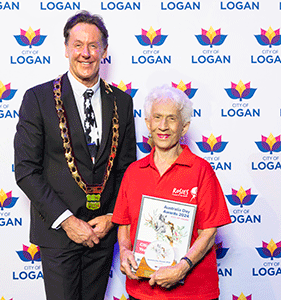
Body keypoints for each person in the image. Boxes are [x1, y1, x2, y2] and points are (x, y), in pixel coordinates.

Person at [14, 11, 136, 300]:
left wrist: (112, 216)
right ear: (66, 48)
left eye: (93, 46)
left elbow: (126, 170)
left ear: (104, 51)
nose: (86, 53)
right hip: (58, 235)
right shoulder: (38, 99)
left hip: (102, 234)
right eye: (78, 45)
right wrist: (68, 221)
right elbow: (26, 171)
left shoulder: (122, 102)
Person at [112, 85, 231, 300]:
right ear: (148, 124)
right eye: (157, 118)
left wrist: (182, 268)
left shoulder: (201, 171)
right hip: (143, 291)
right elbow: (124, 223)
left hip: (193, 293)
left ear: (184, 127)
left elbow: (209, 232)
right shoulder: (133, 172)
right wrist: (125, 251)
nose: (163, 126)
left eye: (172, 119)